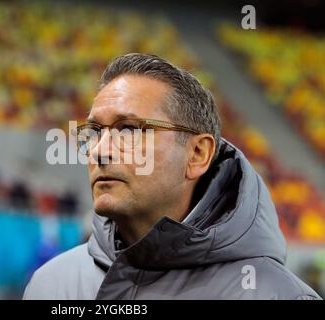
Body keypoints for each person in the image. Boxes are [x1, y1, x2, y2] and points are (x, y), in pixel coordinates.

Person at [23, 53, 321, 300]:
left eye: (128, 130)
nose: (99, 151)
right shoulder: (49, 285)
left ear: (197, 155)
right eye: (94, 132)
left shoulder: (276, 295)